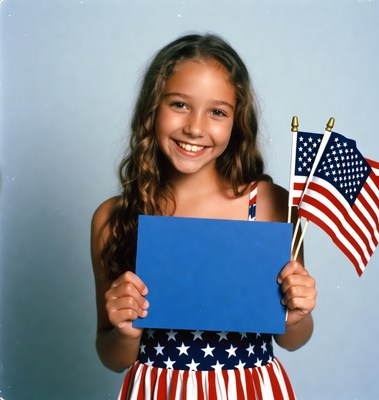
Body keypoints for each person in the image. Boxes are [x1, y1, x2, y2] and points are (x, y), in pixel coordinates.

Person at [91, 33, 317, 399]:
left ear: (236, 121)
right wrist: (124, 331)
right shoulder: (113, 217)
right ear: (152, 108)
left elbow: (293, 338)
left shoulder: (272, 204)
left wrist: (298, 315)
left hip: (250, 389)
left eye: (217, 112)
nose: (195, 127)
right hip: (157, 389)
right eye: (179, 104)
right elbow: (111, 356)